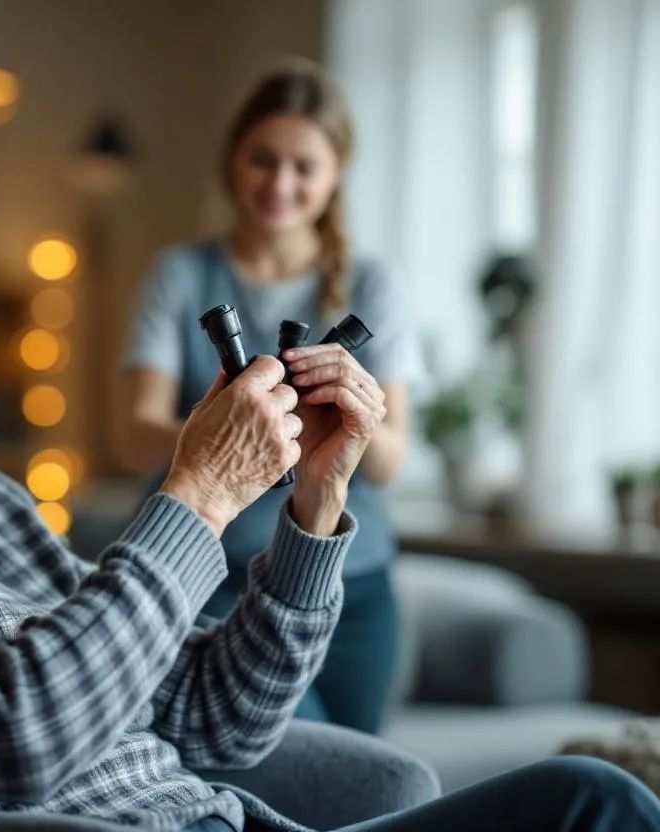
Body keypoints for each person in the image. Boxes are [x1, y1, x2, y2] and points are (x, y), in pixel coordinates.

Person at [0, 118, 660, 832]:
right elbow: (4, 730)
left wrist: (311, 504)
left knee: (596, 800)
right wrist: (194, 495)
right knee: (590, 806)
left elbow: (216, 714)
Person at [120, 58, 421, 734]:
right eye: (263, 159)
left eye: (303, 167)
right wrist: (238, 431)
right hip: (215, 583)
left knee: (361, 785)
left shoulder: (374, 285)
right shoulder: (181, 274)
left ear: (335, 173)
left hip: (354, 586)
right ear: (233, 159)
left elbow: (391, 460)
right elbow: (134, 437)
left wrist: (351, 425)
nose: (279, 184)